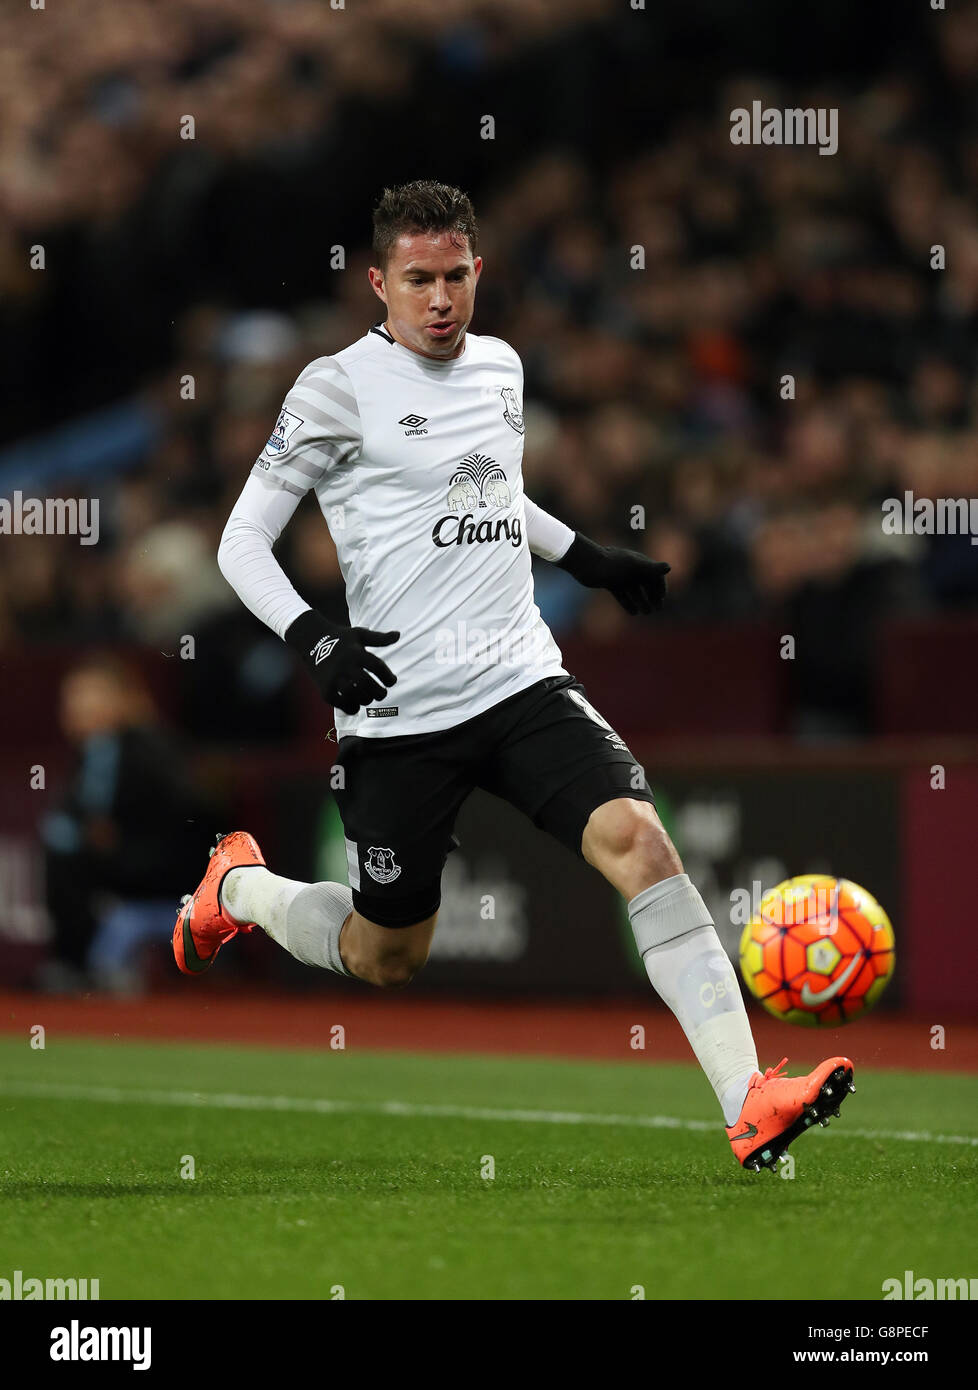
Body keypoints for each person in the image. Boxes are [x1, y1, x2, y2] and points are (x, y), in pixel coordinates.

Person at [175, 181, 853, 1171]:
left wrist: (584, 557)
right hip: (399, 712)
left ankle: (749, 1100)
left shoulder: (500, 367)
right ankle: (240, 887)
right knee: (384, 954)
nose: (441, 298)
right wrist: (315, 635)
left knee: (643, 843)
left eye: (456, 276)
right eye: (418, 280)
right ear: (379, 283)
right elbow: (241, 543)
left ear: (477, 271)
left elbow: (495, 493)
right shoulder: (335, 388)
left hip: (522, 678)